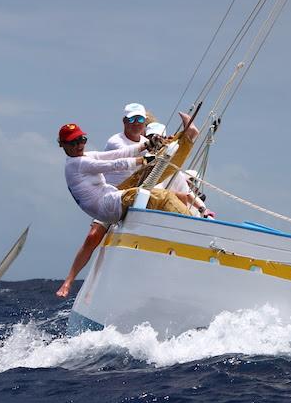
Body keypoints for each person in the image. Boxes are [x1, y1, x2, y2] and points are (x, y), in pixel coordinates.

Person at [55, 122, 192, 298]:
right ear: (62, 145)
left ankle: (186, 140)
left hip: (113, 198)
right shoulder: (77, 164)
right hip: (110, 206)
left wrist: (146, 145)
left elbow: (114, 154)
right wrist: (142, 160)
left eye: (82, 139)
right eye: (73, 142)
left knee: (157, 189)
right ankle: (198, 228)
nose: (79, 145)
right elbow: (113, 164)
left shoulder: (85, 157)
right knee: (163, 197)